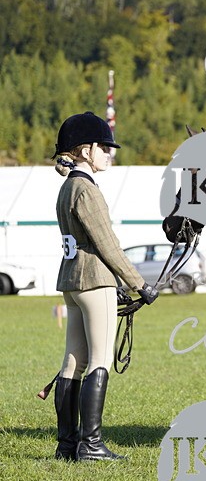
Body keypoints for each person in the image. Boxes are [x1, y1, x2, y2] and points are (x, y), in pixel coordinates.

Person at [51, 112, 159, 461]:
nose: (109, 154)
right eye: (105, 148)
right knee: (100, 360)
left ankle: (67, 445)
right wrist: (140, 284)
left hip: (70, 281)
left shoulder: (66, 187)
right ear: (86, 150)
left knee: (72, 363)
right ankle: (92, 445)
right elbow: (107, 243)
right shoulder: (86, 190)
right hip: (94, 281)